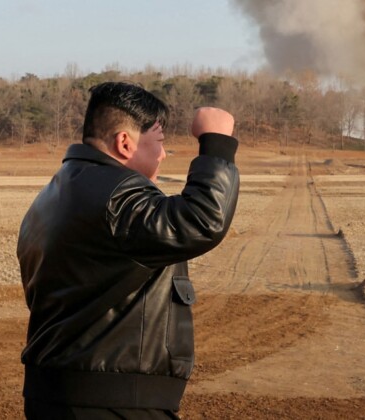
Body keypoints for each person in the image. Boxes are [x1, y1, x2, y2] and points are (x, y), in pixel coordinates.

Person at [17, 81, 240, 419]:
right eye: (159, 143)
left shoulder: (54, 194)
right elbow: (201, 220)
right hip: (113, 403)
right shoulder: (117, 194)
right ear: (125, 142)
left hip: (56, 397)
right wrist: (216, 144)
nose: (164, 154)